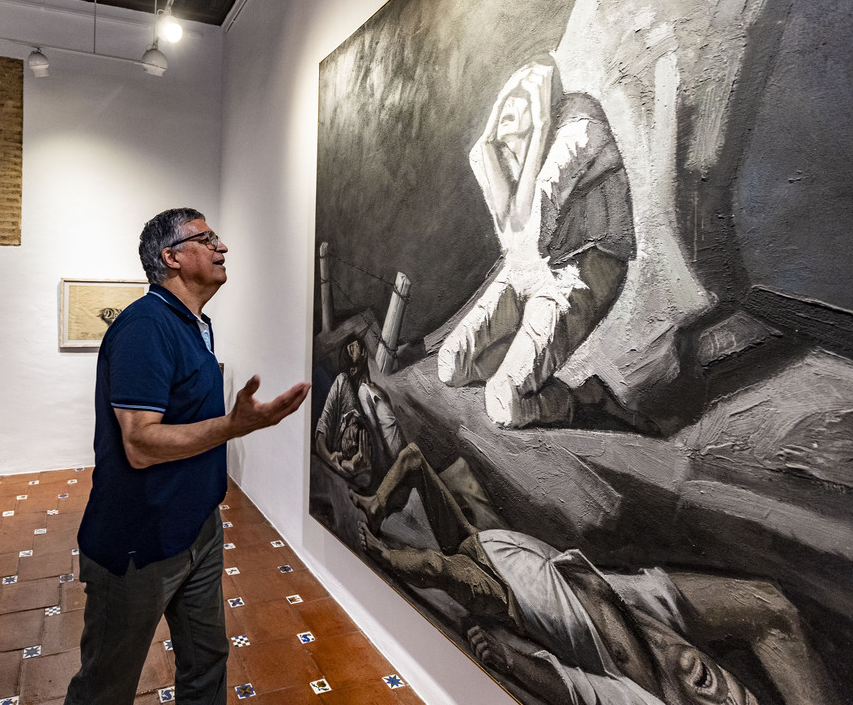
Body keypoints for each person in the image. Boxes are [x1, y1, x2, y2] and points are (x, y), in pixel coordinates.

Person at [351, 443, 840, 705]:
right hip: (535, 560)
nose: (731, 696)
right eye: (745, 702)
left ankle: (376, 549)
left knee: (437, 566)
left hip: (509, 592)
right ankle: (378, 512)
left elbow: (570, 688)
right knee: (769, 607)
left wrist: (506, 659)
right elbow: (773, 609)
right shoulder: (656, 615)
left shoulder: (637, 694)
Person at [65, 208, 310, 705]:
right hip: (138, 541)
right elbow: (139, 444)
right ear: (170, 257)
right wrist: (234, 426)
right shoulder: (145, 328)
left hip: (197, 527)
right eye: (208, 238)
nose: (222, 247)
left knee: (206, 661)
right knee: (107, 685)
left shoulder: (196, 322)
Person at [437, 55, 637, 428]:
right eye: (505, 98)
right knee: (451, 365)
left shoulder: (580, 130)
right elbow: (512, 243)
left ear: (547, 102)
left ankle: (584, 398)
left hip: (582, 268)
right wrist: (486, 143)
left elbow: (533, 236)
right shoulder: (506, 149)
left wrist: (542, 127)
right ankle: (532, 373)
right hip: (525, 269)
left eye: (523, 97)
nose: (508, 108)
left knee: (503, 405)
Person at [313, 335, 403, 490]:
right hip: (363, 456)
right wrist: (337, 462)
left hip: (370, 448)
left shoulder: (362, 392)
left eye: (355, 346)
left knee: (367, 391)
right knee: (363, 390)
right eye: (351, 349)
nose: (354, 346)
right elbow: (320, 436)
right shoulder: (345, 384)